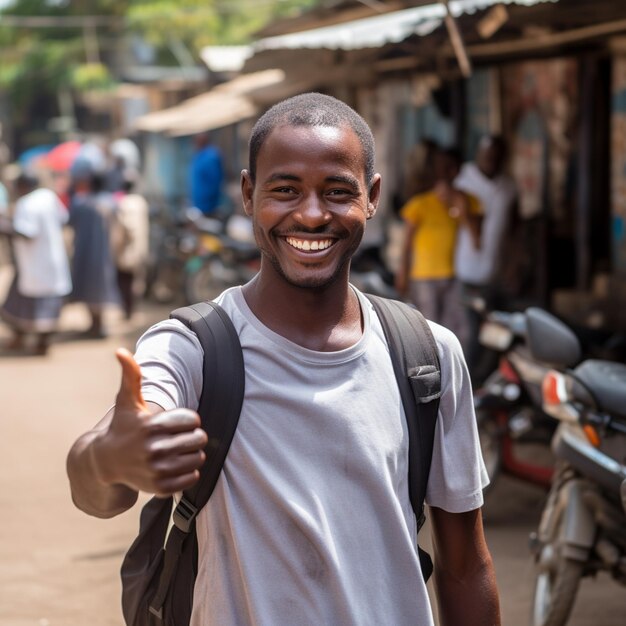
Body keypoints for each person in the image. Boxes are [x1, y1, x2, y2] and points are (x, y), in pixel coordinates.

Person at [66, 93, 501, 626]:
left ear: (373, 196)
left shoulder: (427, 355)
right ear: (249, 194)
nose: (312, 214)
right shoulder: (192, 348)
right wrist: (110, 457)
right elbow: (97, 485)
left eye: (338, 191)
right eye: (285, 190)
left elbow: (465, 567)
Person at [395, 146, 482, 347]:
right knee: (427, 329)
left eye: (452, 168)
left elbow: (478, 242)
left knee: (455, 332)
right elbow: (406, 244)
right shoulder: (420, 204)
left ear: (459, 170)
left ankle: (450, 370)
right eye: (443, 168)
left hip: (457, 276)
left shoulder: (469, 201)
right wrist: (402, 273)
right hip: (424, 277)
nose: (447, 173)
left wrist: (461, 209)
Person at [454, 135, 518, 383]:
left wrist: (514, 265)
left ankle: (483, 385)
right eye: (487, 155)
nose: (491, 161)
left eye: (497, 156)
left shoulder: (508, 187)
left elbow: (515, 229)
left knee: (495, 336)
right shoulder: (463, 180)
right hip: (465, 271)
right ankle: (463, 385)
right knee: (468, 335)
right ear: (478, 155)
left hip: (497, 273)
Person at [0, 173, 72, 355]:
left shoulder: (27, 204)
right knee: (34, 305)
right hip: (50, 259)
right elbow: (64, 219)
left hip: (35, 264)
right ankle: (35, 341)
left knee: (29, 304)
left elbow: (27, 233)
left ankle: (35, 343)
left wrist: (5, 227)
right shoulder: (49, 196)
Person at [67, 157, 121, 338]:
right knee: (101, 289)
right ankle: (98, 325)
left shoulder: (81, 203)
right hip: (106, 254)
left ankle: (95, 325)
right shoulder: (111, 203)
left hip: (85, 252)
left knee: (88, 289)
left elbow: (70, 222)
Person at [111, 170, 150, 320]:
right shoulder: (141, 202)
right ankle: (132, 309)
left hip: (126, 251)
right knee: (136, 279)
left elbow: (125, 228)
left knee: (124, 282)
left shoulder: (124, 204)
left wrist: (116, 246)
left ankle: (127, 311)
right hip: (140, 249)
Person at [188, 132, 224, 217]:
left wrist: (209, 202)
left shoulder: (211, 156)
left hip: (209, 207)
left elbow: (215, 181)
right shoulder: (198, 156)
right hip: (198, 205)